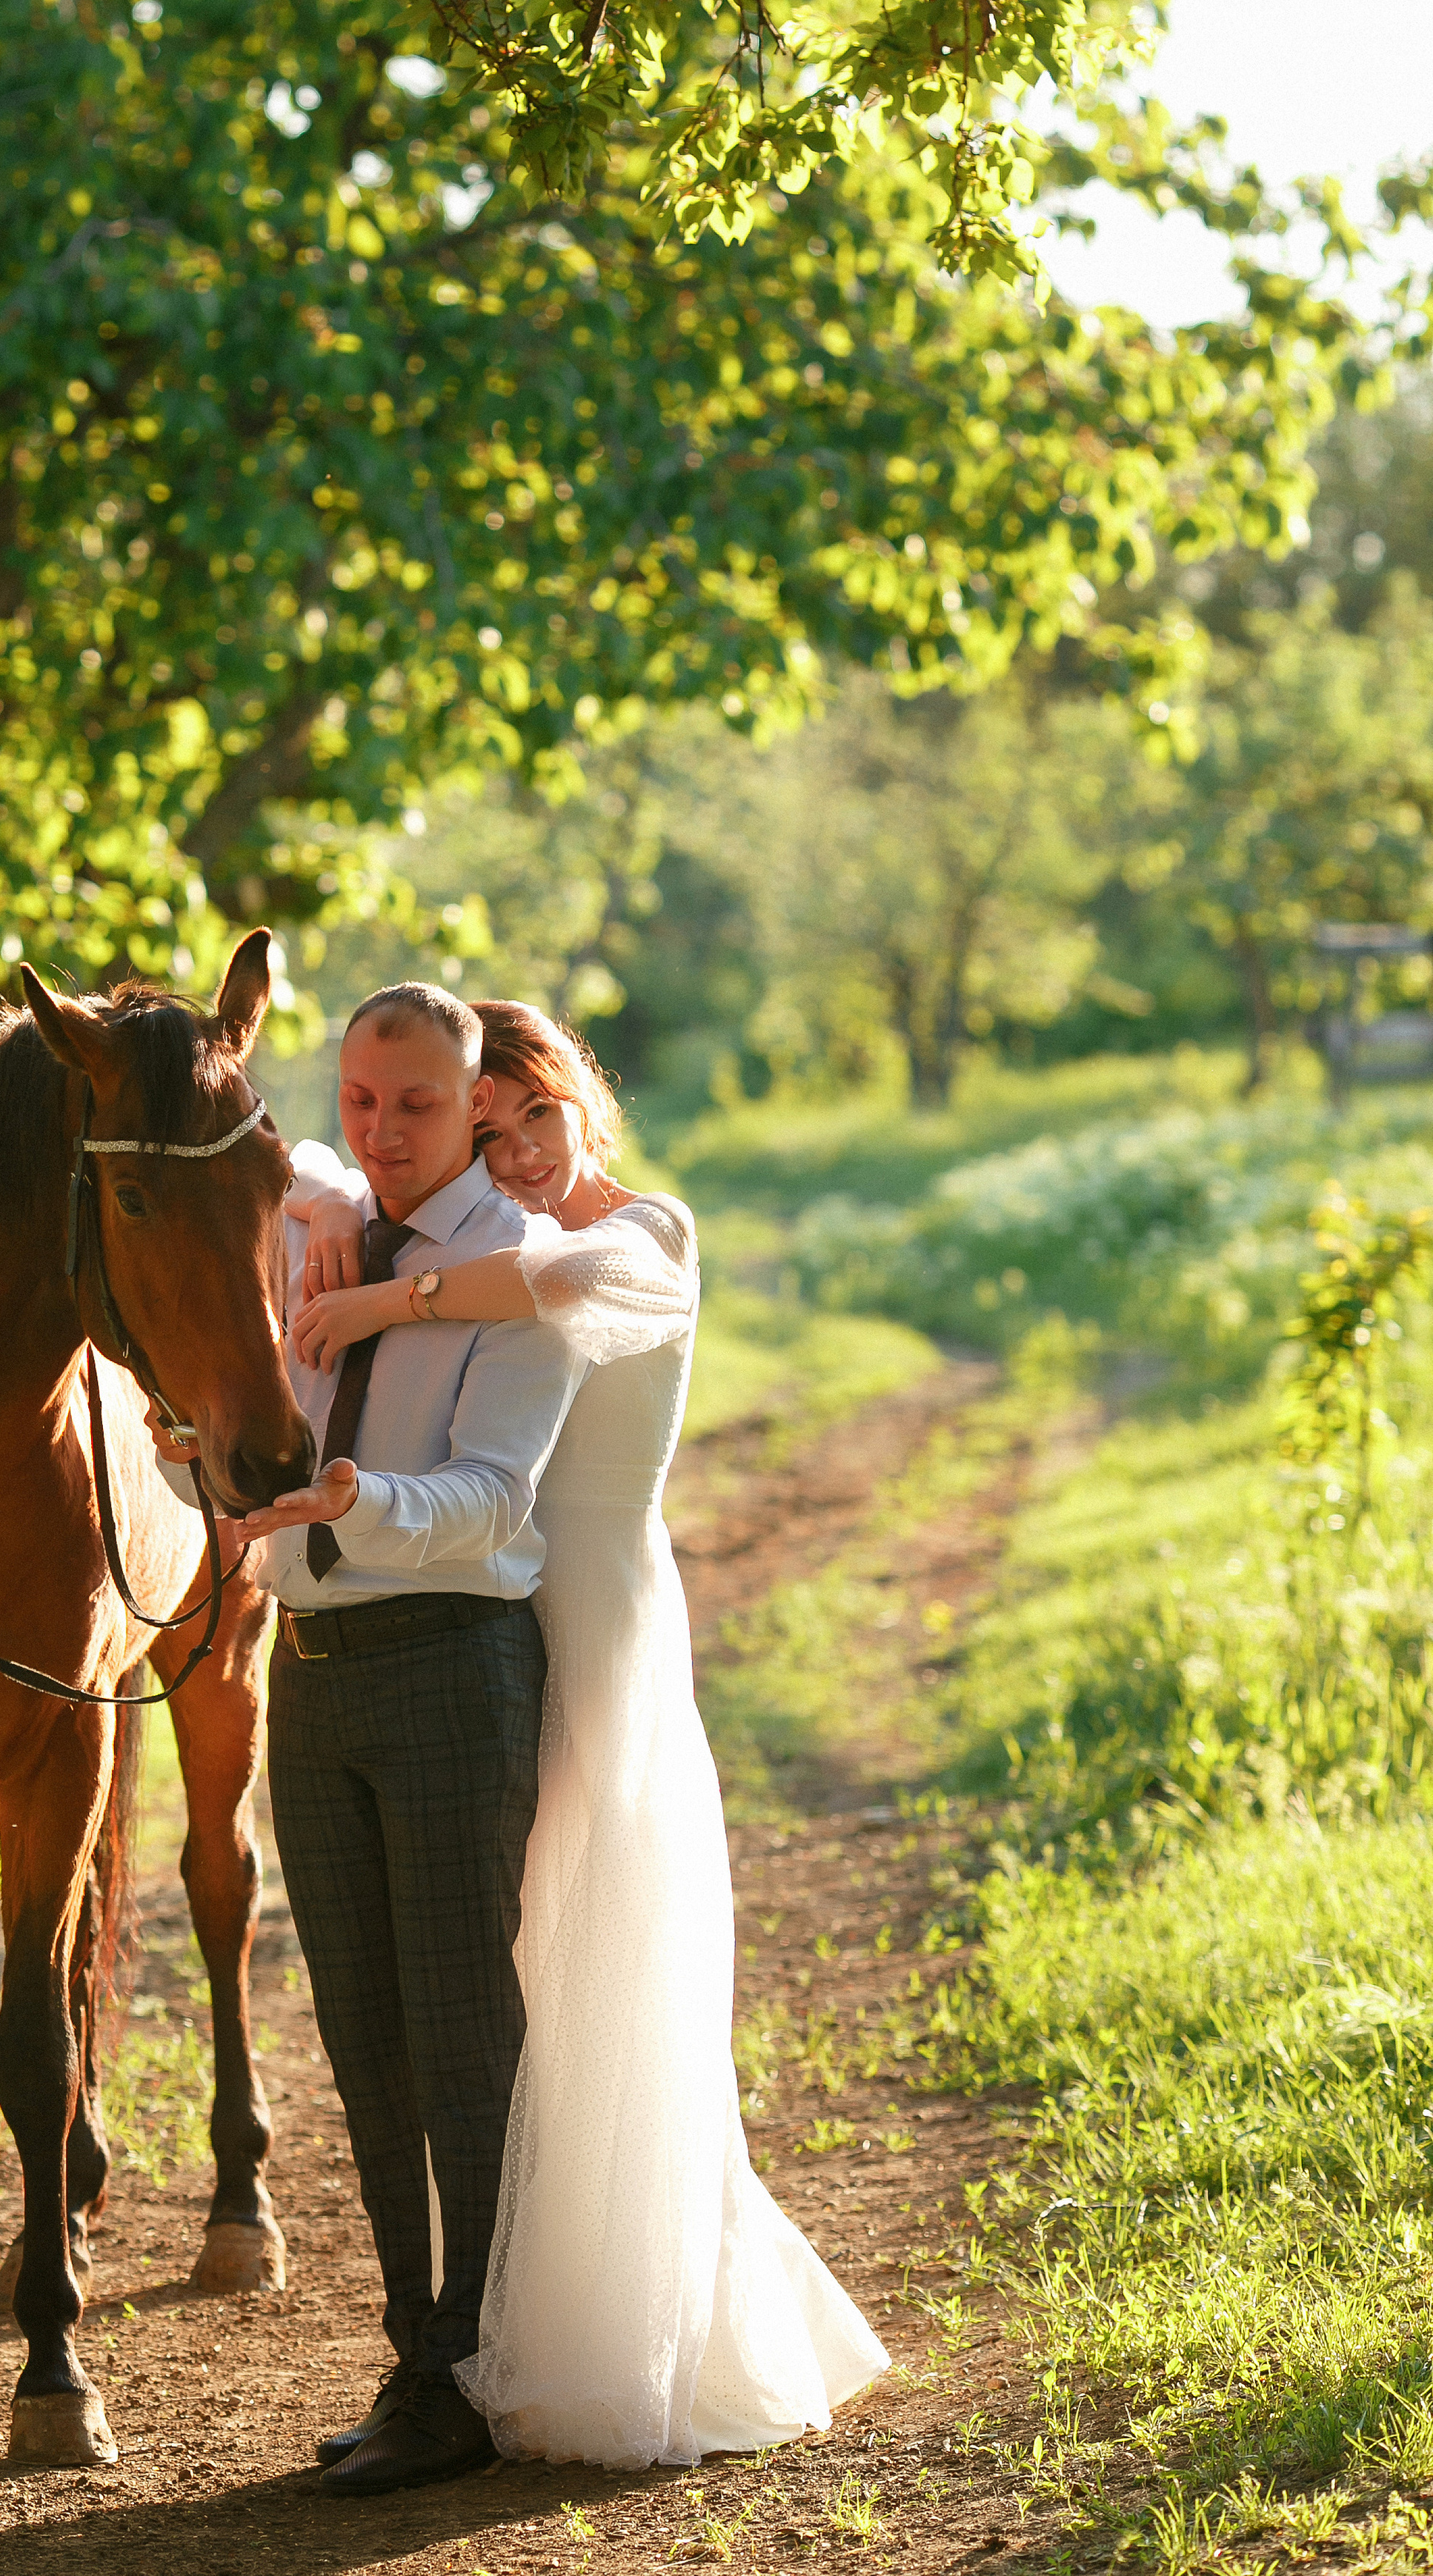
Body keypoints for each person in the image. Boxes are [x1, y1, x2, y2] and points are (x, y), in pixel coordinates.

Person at [282, 1001, 888, 2471]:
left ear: (580, 1100)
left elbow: (542, 1279)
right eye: (486, 1134)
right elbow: (323, 1157)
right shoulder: (452, 1221)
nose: (518, 1153)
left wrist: (366, 1302)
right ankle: (486, 2325)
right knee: (495, 1979)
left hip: (591, 1621)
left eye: (531, 1119)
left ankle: (601, 2314)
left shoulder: (639, 1237)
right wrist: (319, 1205)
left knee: (587, 1972)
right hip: (489, 1615)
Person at [156, 981, 588, 2499]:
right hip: (312, 1667)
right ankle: (416, 2353)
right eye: (355, 1099)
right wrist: (201, 1456)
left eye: (411, 1103)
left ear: (468, 1103)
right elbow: (259, 1440)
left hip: (452, 1663)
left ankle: (470, 2373)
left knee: (463, 2034)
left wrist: (358, 1506)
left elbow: (490, 1497)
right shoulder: (316, 1239)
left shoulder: (513, 1270)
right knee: (360, 2040)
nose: (379, 1130)